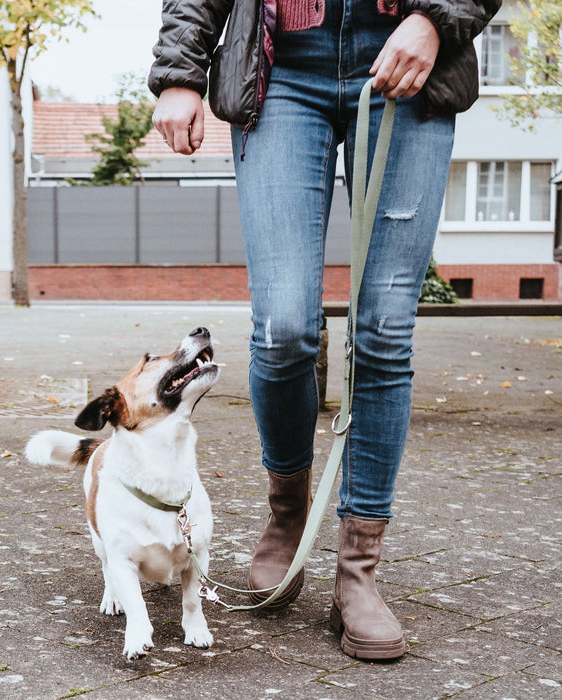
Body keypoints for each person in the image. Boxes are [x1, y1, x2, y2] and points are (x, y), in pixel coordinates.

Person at [148, 0, 500, 660]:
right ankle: (289, 511)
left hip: (408, 57)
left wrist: (435, 20)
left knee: (385, 330)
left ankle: (358, 570)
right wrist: (179, 72)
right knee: (283, 328)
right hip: (281, 67)